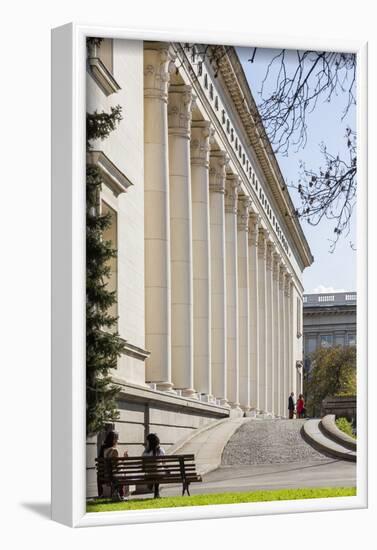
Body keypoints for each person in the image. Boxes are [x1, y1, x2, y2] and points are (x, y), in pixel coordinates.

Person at [98, 430, 129, 500]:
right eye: (117, 438)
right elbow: (117, 466)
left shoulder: (103, 449)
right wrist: (124, 459)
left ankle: (118, 494)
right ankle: (120, 495)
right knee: (122, 474)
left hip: (106, 474)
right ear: (113, 440)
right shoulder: (114, 450)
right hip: (113, 474)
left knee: (120, 474)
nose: (118, 440)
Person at [142, 433, 166, 498]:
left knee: (153, 472)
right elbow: (164, 463)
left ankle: (150, 484)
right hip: (159, 474)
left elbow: (143, 466)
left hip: (149, 474)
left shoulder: (145, 452)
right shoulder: (161, 450)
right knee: (159, 470)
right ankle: (156, 492)